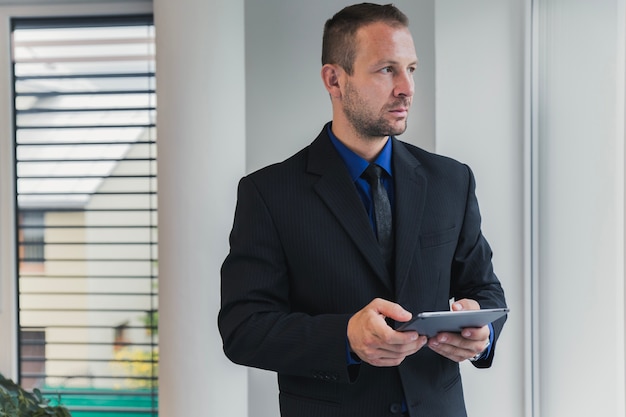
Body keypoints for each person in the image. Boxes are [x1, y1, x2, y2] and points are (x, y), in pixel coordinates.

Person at [218, 3, 507, 416]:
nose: (406, 87)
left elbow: (485, 290)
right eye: (386, 69)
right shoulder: (268, 193)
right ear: (334, 80)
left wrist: (483, 332)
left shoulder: (451, 180)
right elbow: (242, 329)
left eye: (411, 69)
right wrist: (346, 338)